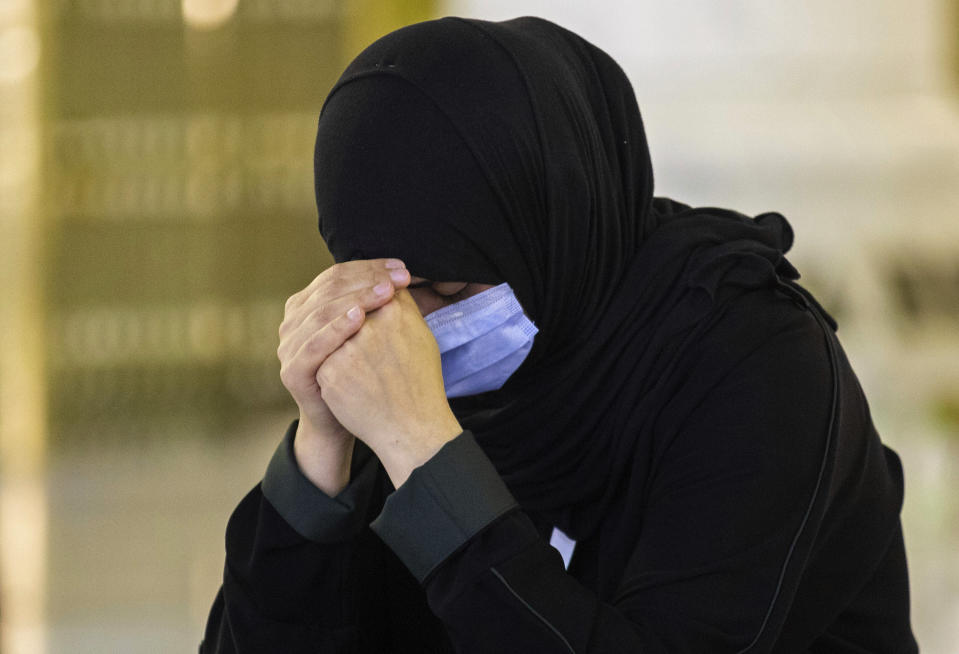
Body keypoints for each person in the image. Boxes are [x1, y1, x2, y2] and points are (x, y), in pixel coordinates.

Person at [201, 16, 918, 653]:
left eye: (448, 289)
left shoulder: (753, 365)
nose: (408, 331)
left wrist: (428, 457)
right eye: (377, 285)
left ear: (545, 232)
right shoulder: (381, 366)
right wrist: (319, 450)